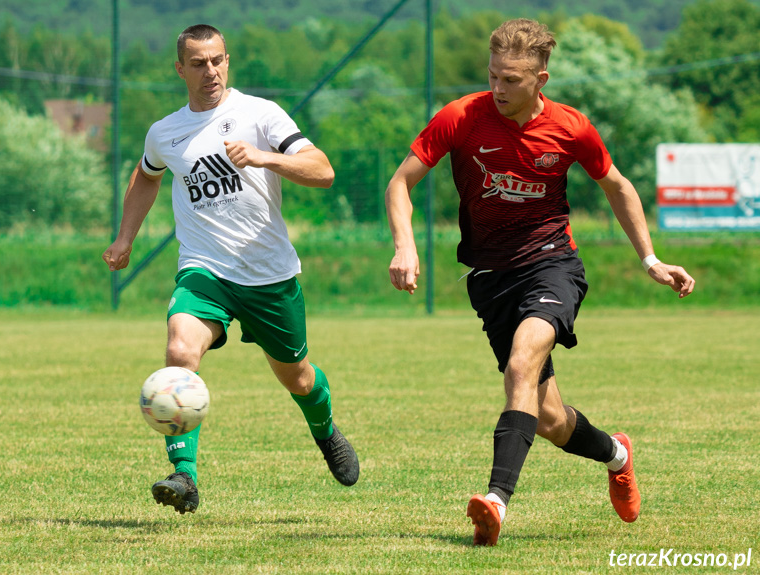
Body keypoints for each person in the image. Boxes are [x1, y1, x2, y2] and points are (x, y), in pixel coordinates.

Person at [385, 18, 695, 545]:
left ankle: (496, 504)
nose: (498, 89)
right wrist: (405, 244)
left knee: (523, 361)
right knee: (549, 418)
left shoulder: (571, 128)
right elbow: (400, 183)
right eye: (493, 76)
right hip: (489, 279)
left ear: (540, 80)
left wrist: (650, 259)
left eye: (511, 80)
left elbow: (618, 187)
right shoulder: (461, 117)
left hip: (551, 265)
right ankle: (617, 453)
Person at [103, 24, 359, 514]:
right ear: (180, 70)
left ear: (228, 61)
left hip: (268, 275)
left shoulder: (260, 115)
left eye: (217, 60)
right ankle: (185, 477)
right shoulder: (166, 132)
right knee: (180, 348)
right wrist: (125, 237)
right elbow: (146, 174)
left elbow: (322, 170)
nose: (210, 71)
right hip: (205, 269)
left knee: (299, 379)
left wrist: (265, 158)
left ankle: (325, 431)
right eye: (198, 64)